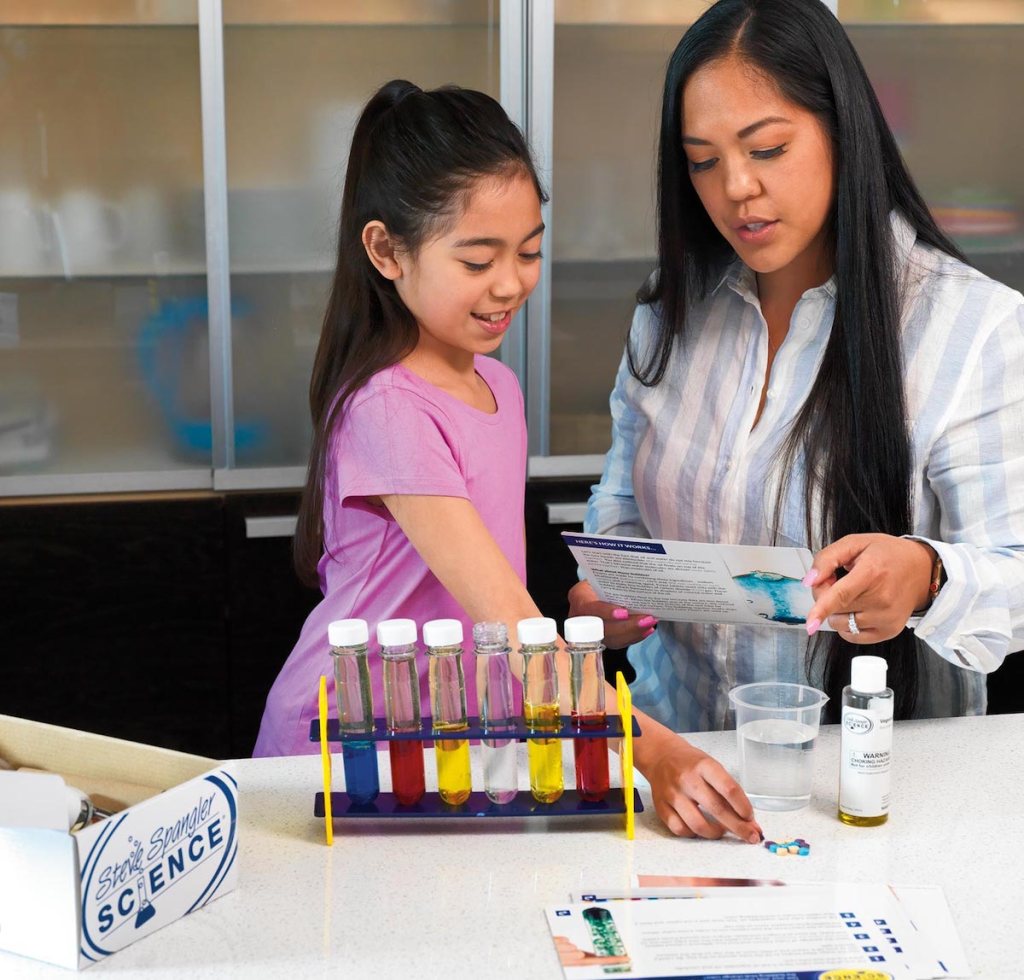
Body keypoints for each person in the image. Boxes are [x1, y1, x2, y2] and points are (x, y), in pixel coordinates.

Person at [252, 79, 764, 846]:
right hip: (344, 751)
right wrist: (655, 754)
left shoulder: (497, 384)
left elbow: (492, 612)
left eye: (528, 252)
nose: (510, 284)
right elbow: (515, 625)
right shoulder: (390, 408)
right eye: (477, 259)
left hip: (456, 745)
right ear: (386, 250)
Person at [569, 0, 1024, 735]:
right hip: (680, 752)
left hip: (869, 778)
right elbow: (622, 503)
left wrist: (928, 576)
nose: (735, 188)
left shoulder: (972, 328)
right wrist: (609, 591)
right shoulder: (670, 313)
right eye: (704, 162)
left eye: (768, 149)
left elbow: (1017, 567)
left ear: (843, 132)